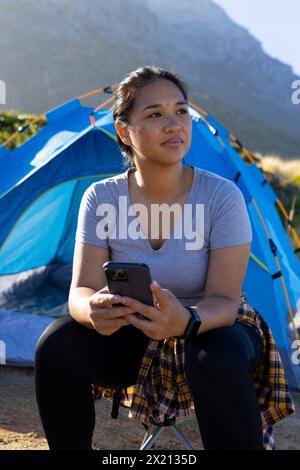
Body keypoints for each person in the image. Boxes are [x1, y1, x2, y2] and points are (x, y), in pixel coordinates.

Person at [35, 65, 294, 450]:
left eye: (181, 111)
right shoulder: (101, 198)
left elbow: (225, 301)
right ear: (124, 131)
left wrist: (185, 320)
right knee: (56, 343)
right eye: (155, 114)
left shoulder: (221, 197)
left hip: (210, 328)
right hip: (132, 335)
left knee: (216, 357)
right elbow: (80, 291)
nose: (174, 124)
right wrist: (95, 311)